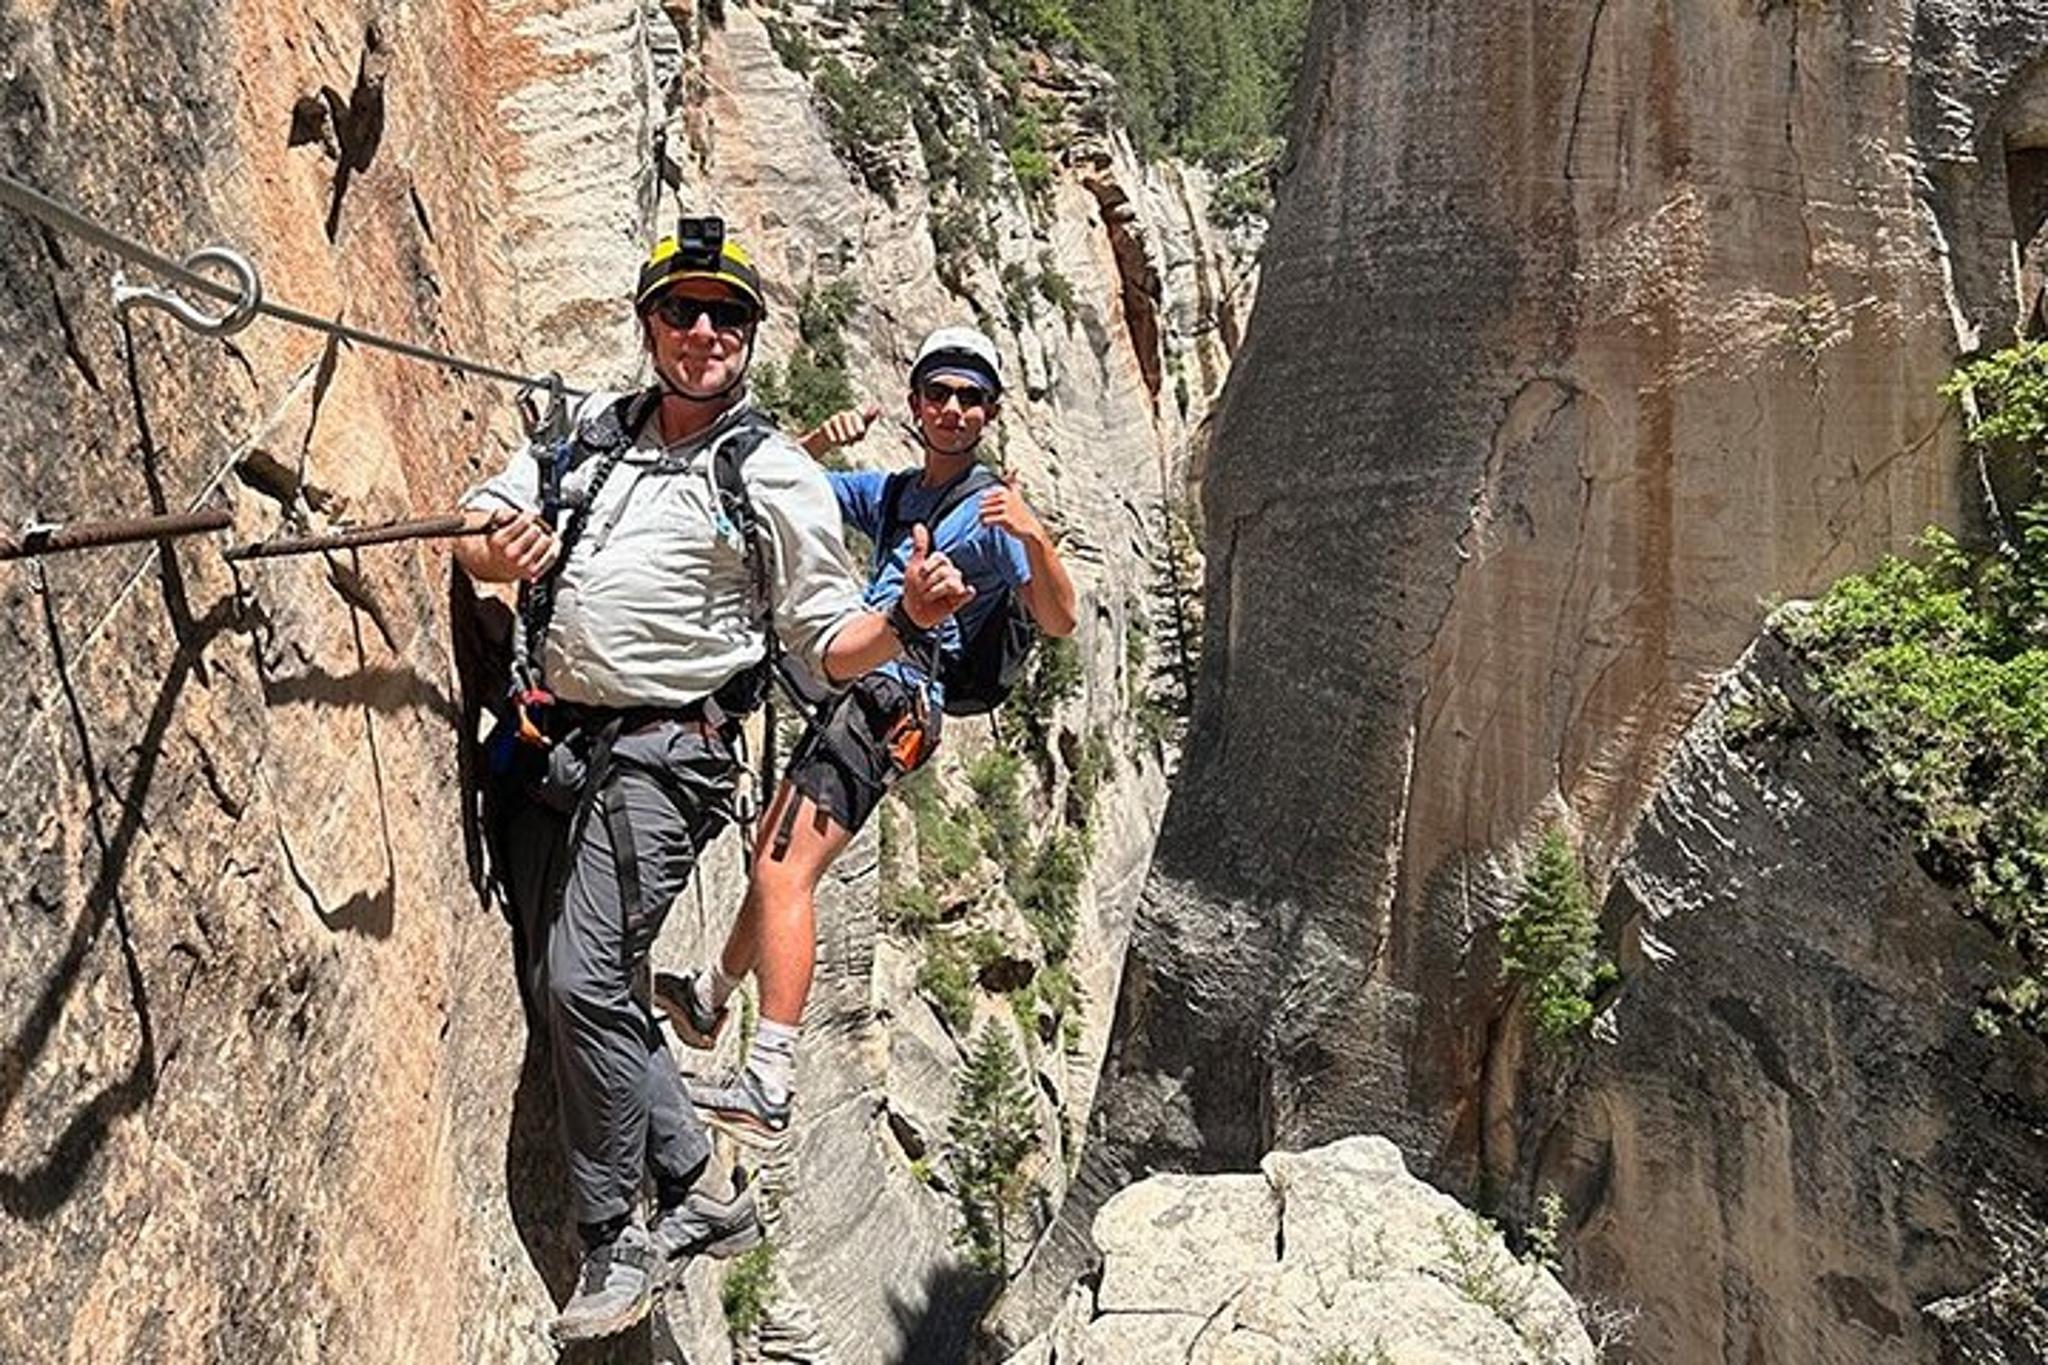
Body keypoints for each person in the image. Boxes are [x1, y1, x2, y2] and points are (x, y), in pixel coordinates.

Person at [454, 223, 973, 1342]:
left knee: (581, 974)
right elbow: (477, 532)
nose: (702, 333)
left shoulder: (772, 471)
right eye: (682, 311)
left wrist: (903, 622)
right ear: (648, 323)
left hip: (667, 755)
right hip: (551, 740)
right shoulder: (583, 434)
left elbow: (823, 641)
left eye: (725, 317)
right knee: (572, 988)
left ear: (748, 337)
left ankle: (614, 1236)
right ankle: (693, 1180)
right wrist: (505, 548)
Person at [660, 325, 1078, 1142]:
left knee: (784, 871)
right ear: (918, 404)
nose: (953, 410)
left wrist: (1032, 535)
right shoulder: (893, 495)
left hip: (892, 697)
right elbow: (794, 481)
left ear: (988, 413)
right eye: (939, 394)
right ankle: (709, 999)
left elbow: (1057, 620)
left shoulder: (994, 515)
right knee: (775, 852)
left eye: (969, 398)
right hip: (861, 688)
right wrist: (818, 439)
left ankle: (769, 1078)